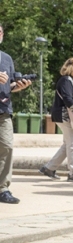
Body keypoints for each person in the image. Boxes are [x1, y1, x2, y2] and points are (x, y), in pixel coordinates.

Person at [40, 57, 73, 182]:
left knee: (68, 143)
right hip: (65, 116)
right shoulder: (65, 80)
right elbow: (68, 100)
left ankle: (49, 168)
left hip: (70, 116)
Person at [0, 23, 33, 204]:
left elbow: (10, 85)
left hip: (3, 110)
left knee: (7, 146)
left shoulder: (7, 58)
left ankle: (2, 188)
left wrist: (19, 86)